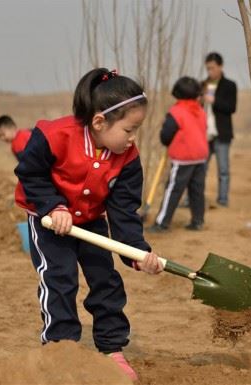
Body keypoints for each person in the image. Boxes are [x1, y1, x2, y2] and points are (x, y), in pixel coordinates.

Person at [14, 68, 164, 380]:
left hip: (91, 221)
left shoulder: (128, 158)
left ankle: (111, 348)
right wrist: (54, 206)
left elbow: (123, 211)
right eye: (129, 129)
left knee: (105, 281)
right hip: (48, 222)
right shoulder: (55, 135)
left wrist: (136, 253)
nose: (133, 138)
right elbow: (30, 173)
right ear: (99, 122)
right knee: (60, 278)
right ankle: (61, 349)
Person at [150, 77, 208, 232]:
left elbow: (166, 135)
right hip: (201, 156)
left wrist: (166, 141)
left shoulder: (176, 111)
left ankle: (162, 223)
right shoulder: (200, 110)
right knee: (197, 190)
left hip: (184, 158)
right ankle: (198, 221)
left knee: (173, 190)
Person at [203, 52, 237, 207]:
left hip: (222, 134)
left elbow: (231, 107)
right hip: (204, 135)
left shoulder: (230, 85)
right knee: (199, 169)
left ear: (220, 66)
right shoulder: (203, 85)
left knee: (223, 170)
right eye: (208, 68)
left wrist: (214, 101)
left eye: (212, 68)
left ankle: (222, 199)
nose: (210, 71)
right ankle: (193, 199)